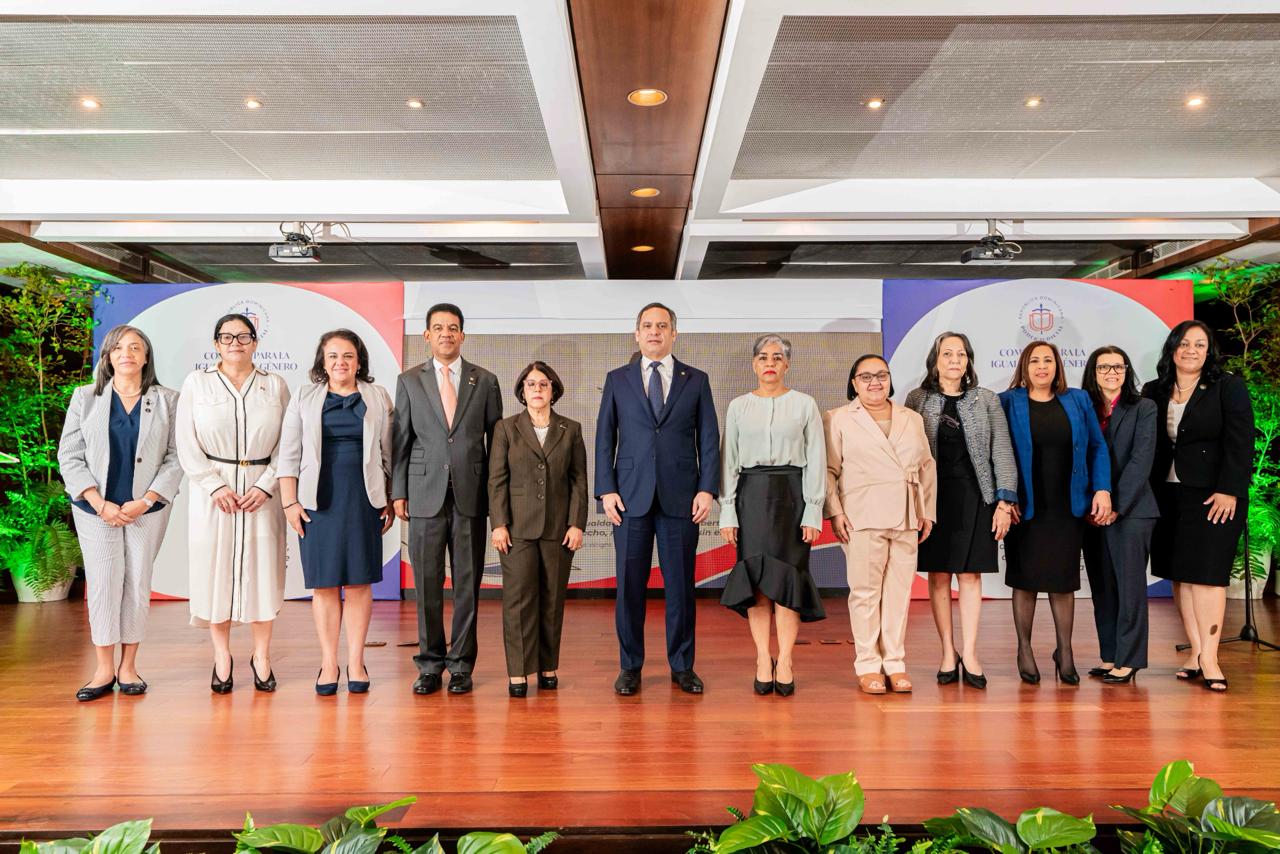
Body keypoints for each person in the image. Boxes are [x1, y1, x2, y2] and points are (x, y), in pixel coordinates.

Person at [595, 302, 720, 696]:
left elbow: (709, 439)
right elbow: (604, 438)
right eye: (647, 326)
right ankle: (630, 666)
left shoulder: (695, 380)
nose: (654, 332)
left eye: (662, 326)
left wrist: (707, 488)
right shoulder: (617, 379)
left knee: (680, 587)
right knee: (629, 588)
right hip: (629, 499)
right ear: (637, 334)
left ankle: (682, 666)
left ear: (674, 334)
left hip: (681, 498)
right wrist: (606, 489)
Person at [57, 325, 182, 701]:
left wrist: (146, 499)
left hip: (146, 509)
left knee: (137, 582)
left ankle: (128, 667)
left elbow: (177, 456)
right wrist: (98, 502)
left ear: (146, 357)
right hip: (95, 509)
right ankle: (103, 669)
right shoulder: (85, 398)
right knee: (103, 583)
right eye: (118, 348)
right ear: (108, 357)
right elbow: (69, 455)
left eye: (135, 347)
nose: (126, 353)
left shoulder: (168, 400)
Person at [175, 313, 290, 694]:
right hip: (214, 494)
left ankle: (262, 655)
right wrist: (213, 486)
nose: (235, 344)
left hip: (261, 492)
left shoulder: (274, 385)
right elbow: (186, 443)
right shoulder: (197, 383)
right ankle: (221, 656)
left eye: (243, 337)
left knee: (263, 573)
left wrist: (267, 485)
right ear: (216, 344)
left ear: (255, 342)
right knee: (214, 571)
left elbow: (289, 443)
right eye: (226, 337)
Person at [391, 303, 502, 696]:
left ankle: (461, 666)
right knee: (426, 583)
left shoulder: (485, 381)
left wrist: (497, 496)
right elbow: (401, 440)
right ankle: (429, 664)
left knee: (468, 584)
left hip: (471, 494)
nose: (446, 334)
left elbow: (497, 444)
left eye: (453, 328)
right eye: (438, 328)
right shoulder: (409, 380)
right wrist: (398, 491)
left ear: (462, 335)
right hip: (424, 494)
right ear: (427, 335)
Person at [277, 330, 395, 696]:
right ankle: (329, 662)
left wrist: (391, 498)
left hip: (364, 498)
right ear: (322, 362)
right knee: (325, 584)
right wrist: (290, 502)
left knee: (359, 582)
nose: (340, 362)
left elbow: (390, 453)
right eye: (333, 356)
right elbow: (288, 455)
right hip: (317, 502)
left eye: (348, 356)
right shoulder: (304, 397)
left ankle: (356, 661)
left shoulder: (378, 396)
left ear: (359, 361)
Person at [1142, 320, 1253, 693]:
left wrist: (1229, 490)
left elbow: (1241, 443)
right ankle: (1195, 651)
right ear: (1172, 348)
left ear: (1209, 351)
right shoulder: (1154, 389)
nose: (1191, 350)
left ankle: (1211, 658)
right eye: (1185, 343)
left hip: (1214, 496)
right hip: (1166, 494)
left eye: (1200, 344)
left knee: (1207, 576)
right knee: (1180, 574)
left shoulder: (1228, 387)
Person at [904, 331, 1017, 690]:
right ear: (935, 361)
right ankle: (947, 653)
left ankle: (970, 653)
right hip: (933, 501)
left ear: (969, 361)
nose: (955, 360)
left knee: (970, 576)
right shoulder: (917, 399)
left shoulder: (986, 400)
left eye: (961, 354)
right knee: (938, 576)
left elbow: (1002, 450)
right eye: (947, 354)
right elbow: (907, 451)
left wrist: (1005, 501)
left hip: (976, 496)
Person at [718, 335, 827, 697]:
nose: (770, 363)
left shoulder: (804, 404)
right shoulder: (738, 406)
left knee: (788, 582)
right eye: (763, 357)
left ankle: (787, 660)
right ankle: (764, 658)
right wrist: (728, 511)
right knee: (758, 586)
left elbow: (817, 459)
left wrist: (813, 510)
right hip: (750, 497)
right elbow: (729, 460)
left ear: (786, 364)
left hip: (792, 496)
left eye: (777, 357)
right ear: (754, 364)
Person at [999, 341, 1111, 686]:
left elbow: (1097, 447)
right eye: (1034, 360)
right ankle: (1024, 649)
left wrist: (1102, 488)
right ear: (1024, 366)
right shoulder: (1008, 401)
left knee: (1063, 582)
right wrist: (1005, 498)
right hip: (1025, 507)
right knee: (1025, 581)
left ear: (1057, 366)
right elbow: (998, 453)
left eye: (1048, 360)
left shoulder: (1077, 400)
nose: (1042, 366)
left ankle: (1065, 651)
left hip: (1067, 506)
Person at [825, 355, 936, 695]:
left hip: (906, 514)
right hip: (861, 515)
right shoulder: (838, 418)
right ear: (854, 383)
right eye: (866, 376)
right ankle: (868, 664)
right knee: (865, 593)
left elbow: (926, 466)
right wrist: (835, 512)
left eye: (881, 375)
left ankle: (895, 663)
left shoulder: (911, 418)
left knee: (899, 594)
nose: (875, 382)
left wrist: (926, 512)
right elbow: (828, 470)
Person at [488, 362, 588, 697]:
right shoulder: (506, 428)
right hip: (516, 529)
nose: (537, 390)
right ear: (522, 391)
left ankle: (548, 666)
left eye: (543, 384)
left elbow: (578, 481)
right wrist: (499, 524)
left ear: (553, 390)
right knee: (518, 602)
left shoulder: (570, 429)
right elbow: (497, 481)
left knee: (552, 600)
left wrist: (576, 523)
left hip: (558, 530)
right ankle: (518, 672)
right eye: (530, 384)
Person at [1080, 346, 1158, 685]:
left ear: (1127, 370)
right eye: (1103, 367)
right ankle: (1110, 655)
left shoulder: (1144, 408)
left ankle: (1130, 659)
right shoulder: (1083, 408)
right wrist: (1090, 503)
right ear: (1093, 372)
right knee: (1102, 587)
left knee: (1129, 588)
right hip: (1091, 512)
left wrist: (1116, 505)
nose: (1111, 372)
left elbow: (1141, 461)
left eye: (1118, 366)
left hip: (1132, 511)